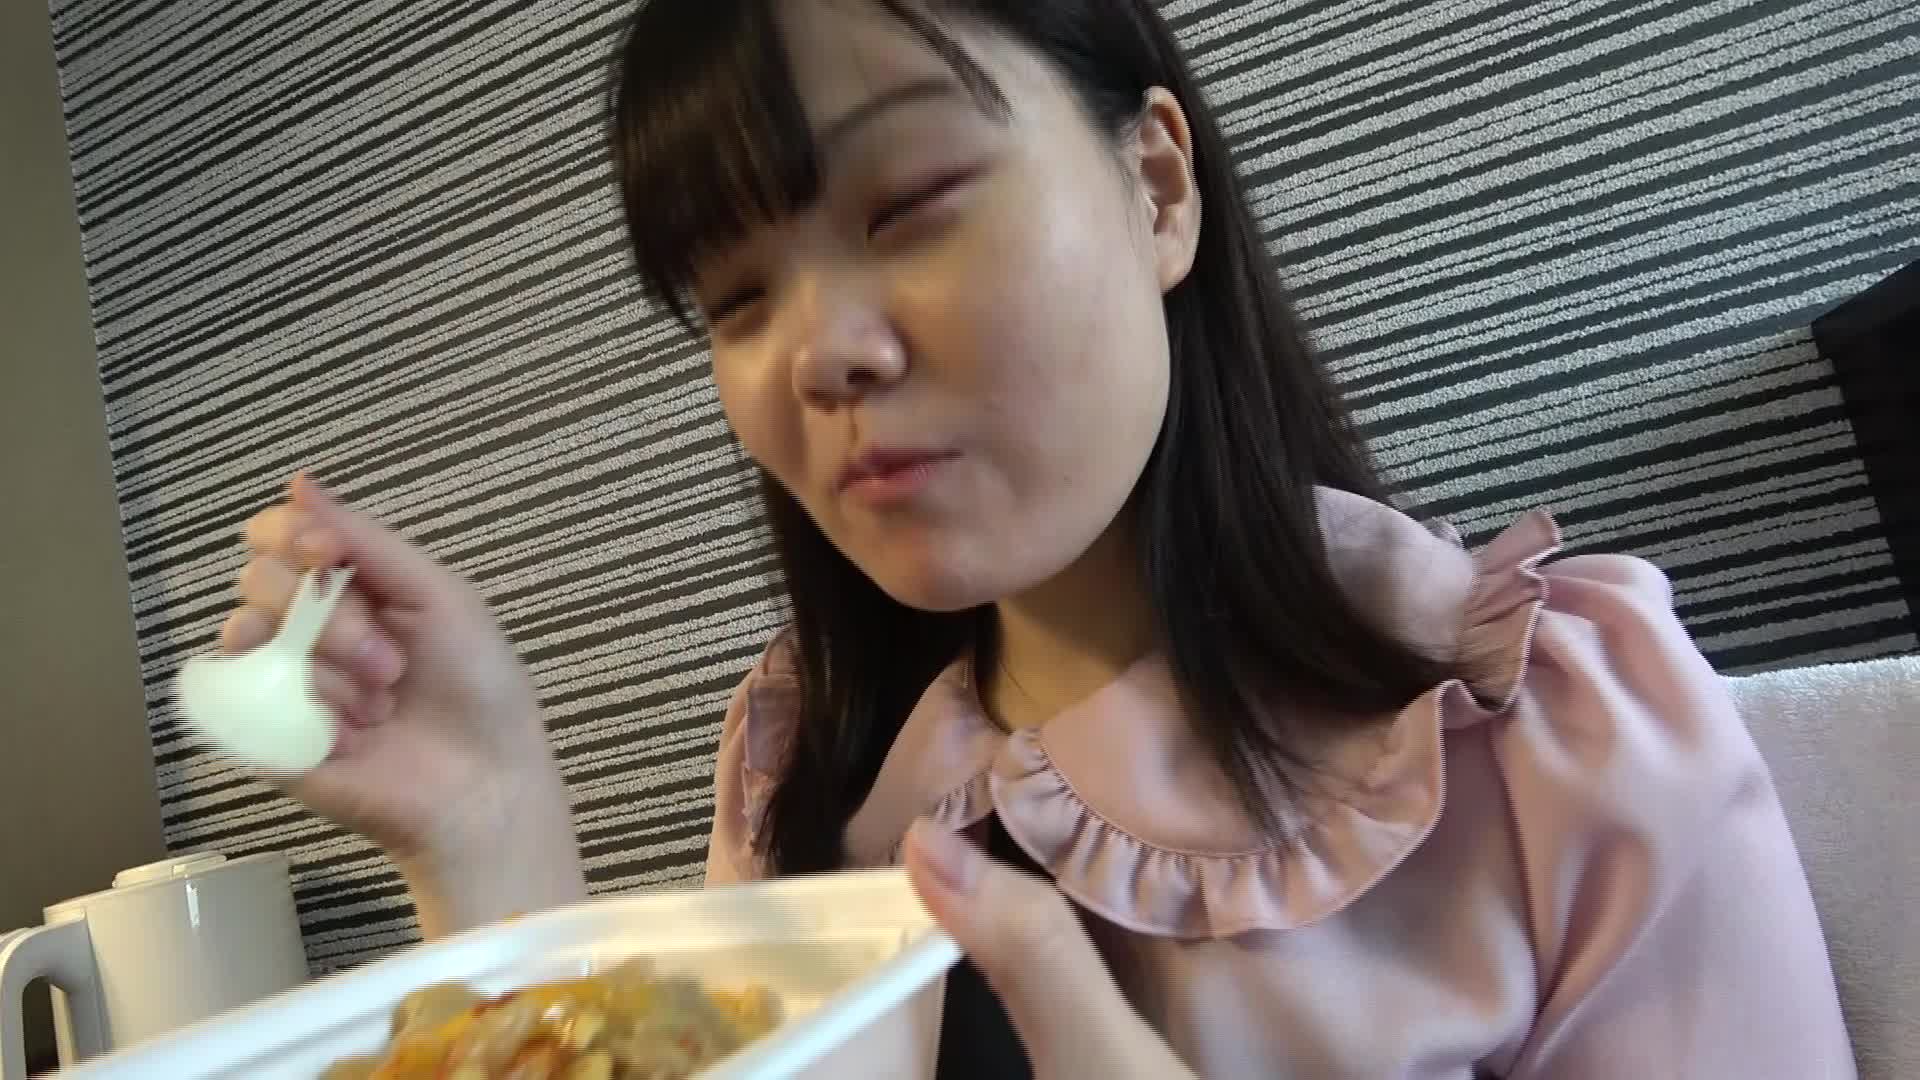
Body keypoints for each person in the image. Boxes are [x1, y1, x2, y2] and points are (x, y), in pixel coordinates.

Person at [219, 1, 1856, 1076]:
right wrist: (492, 837)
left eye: (907, 204)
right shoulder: (799, 767)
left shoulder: (1557, 736)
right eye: (733, 298)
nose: (818, 354)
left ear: (1158, 187)